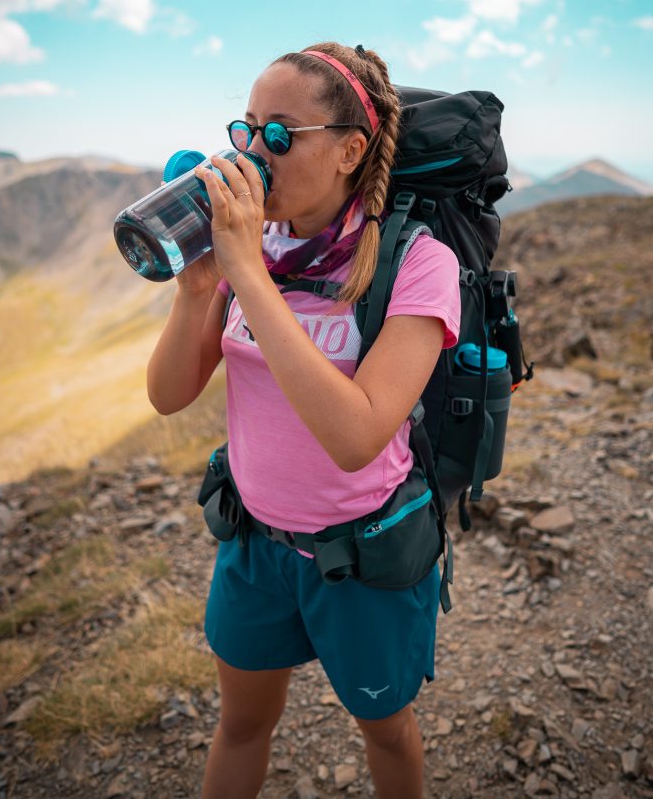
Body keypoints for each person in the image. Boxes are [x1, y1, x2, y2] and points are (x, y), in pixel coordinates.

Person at [147, 42, 461, 799]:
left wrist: (246, 273)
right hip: (254, 544)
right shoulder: (256, 249)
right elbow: (167, 395)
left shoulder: (417, 264)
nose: (253, 153)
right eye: (247, 129)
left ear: (350, 150)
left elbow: (357, 437)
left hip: (366, 555)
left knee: (385, 731)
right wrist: (198, 290)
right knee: (241, 725)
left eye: (280, 136)